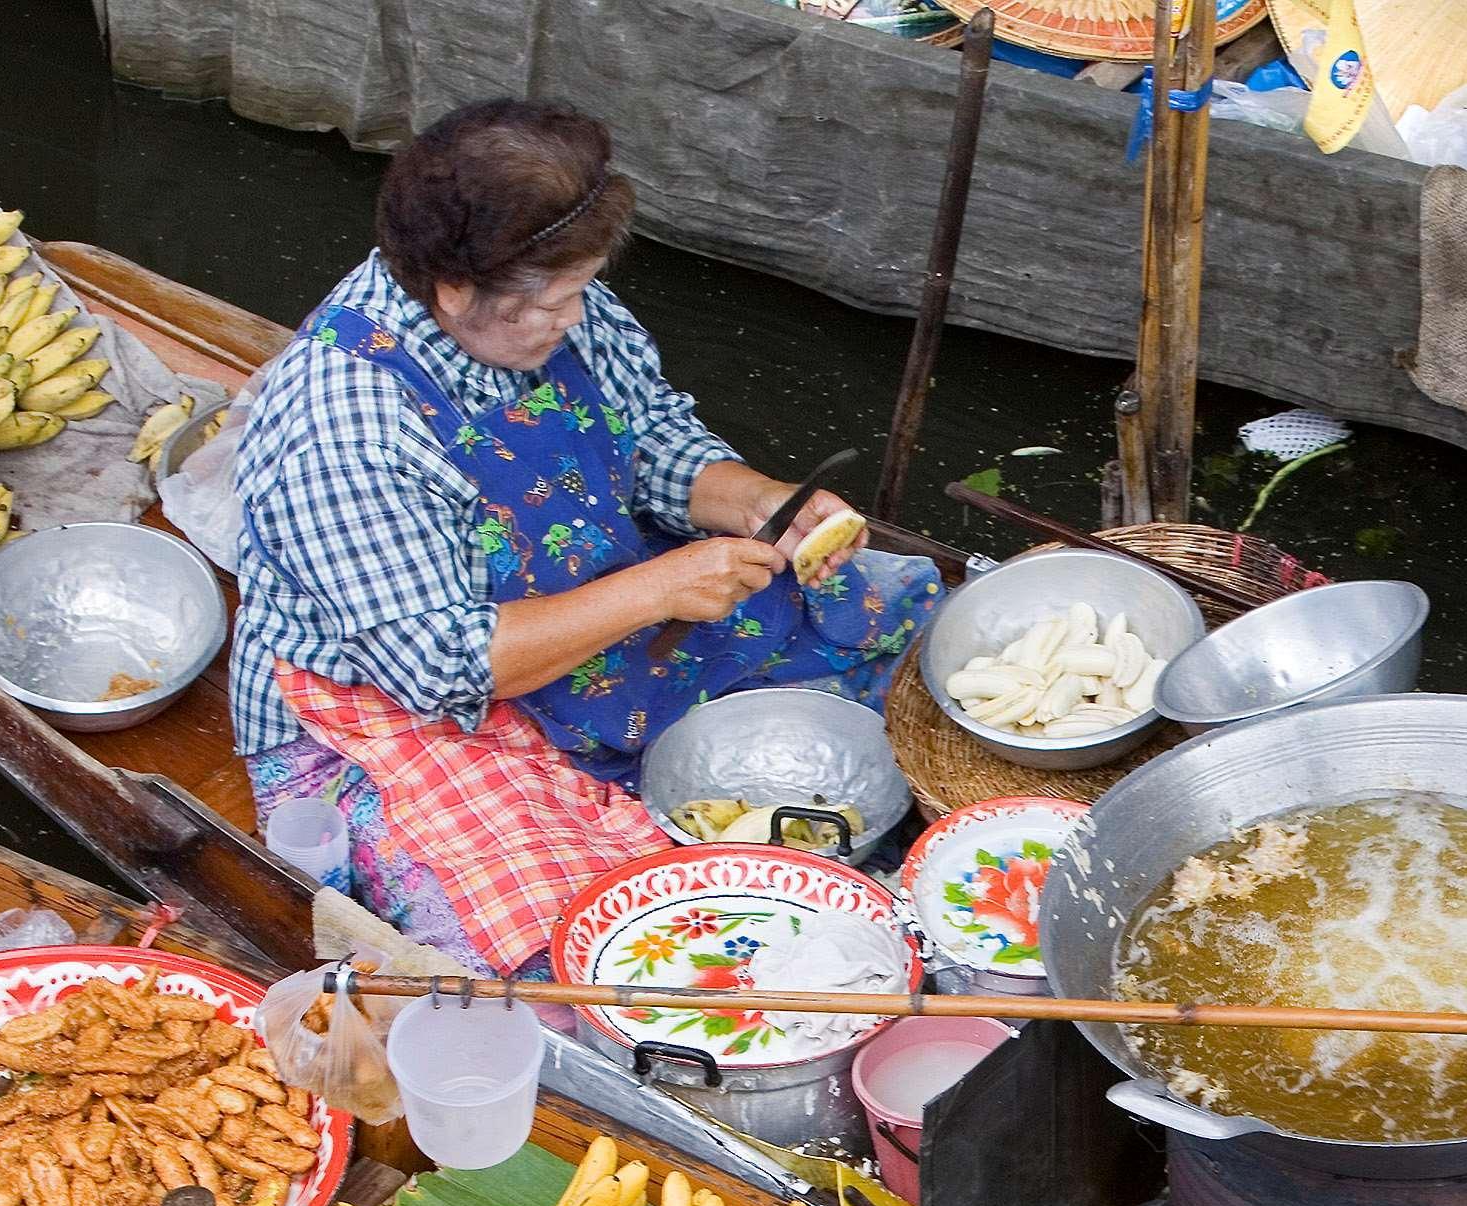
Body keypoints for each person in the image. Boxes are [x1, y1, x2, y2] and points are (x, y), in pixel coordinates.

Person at [229, 98, 940, 974]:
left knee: (887, 650)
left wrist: (757, 501)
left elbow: (652, 441)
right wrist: (658, 589)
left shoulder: (547, 304)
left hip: (568, 582)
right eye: (555, 301)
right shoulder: (343, 435)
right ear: (454, 292)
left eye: (582, 288)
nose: (576, 316)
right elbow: (443, 669)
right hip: (390, 696)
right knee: (579, 942)